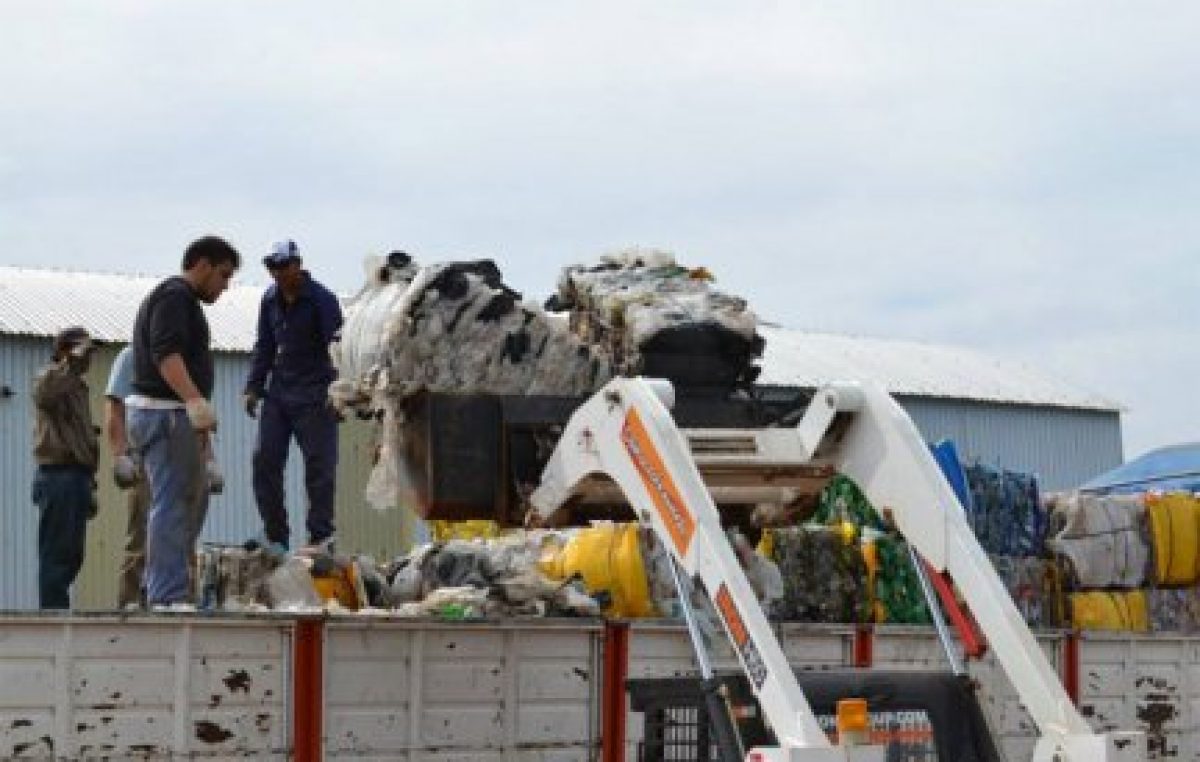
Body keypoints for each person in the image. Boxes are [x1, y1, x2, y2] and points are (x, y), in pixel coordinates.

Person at [127, 236, 240, 607]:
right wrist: (193, 400)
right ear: (203, 265)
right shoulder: (175, 296)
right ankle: (166, 594)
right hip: (165, 414)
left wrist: (204, 445)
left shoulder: (181, 300)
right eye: (223, 275)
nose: (225, 286)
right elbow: (167, 354)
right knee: (173, 503)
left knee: (185, 502)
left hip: (172, 417)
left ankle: (165, 587)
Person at [244, 239, 343, 555]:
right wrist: (253, 386)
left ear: (297, 264)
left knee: (320, 467)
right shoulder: (270, 299)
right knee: (264, 461)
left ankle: (320, 537)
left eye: (284, 266)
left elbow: (337, 348)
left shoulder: (322, 300)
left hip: (316, 395)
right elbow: (264, 346)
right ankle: (276, 536)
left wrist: (340, 392)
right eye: (272, 267)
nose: (278, 273)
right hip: (280, 394)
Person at [31, 326, 101, 609]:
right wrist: (69, 362)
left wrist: (90, 484)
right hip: (58, 476)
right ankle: (52, 619)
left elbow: (82, 439)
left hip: (76, 478)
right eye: (83, 352)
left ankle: (58, 613)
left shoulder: (77, 387)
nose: (87, 360)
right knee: (57, 558)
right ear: (63, 351)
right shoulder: (50, 379)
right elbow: (44, 395)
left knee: (71, 556)